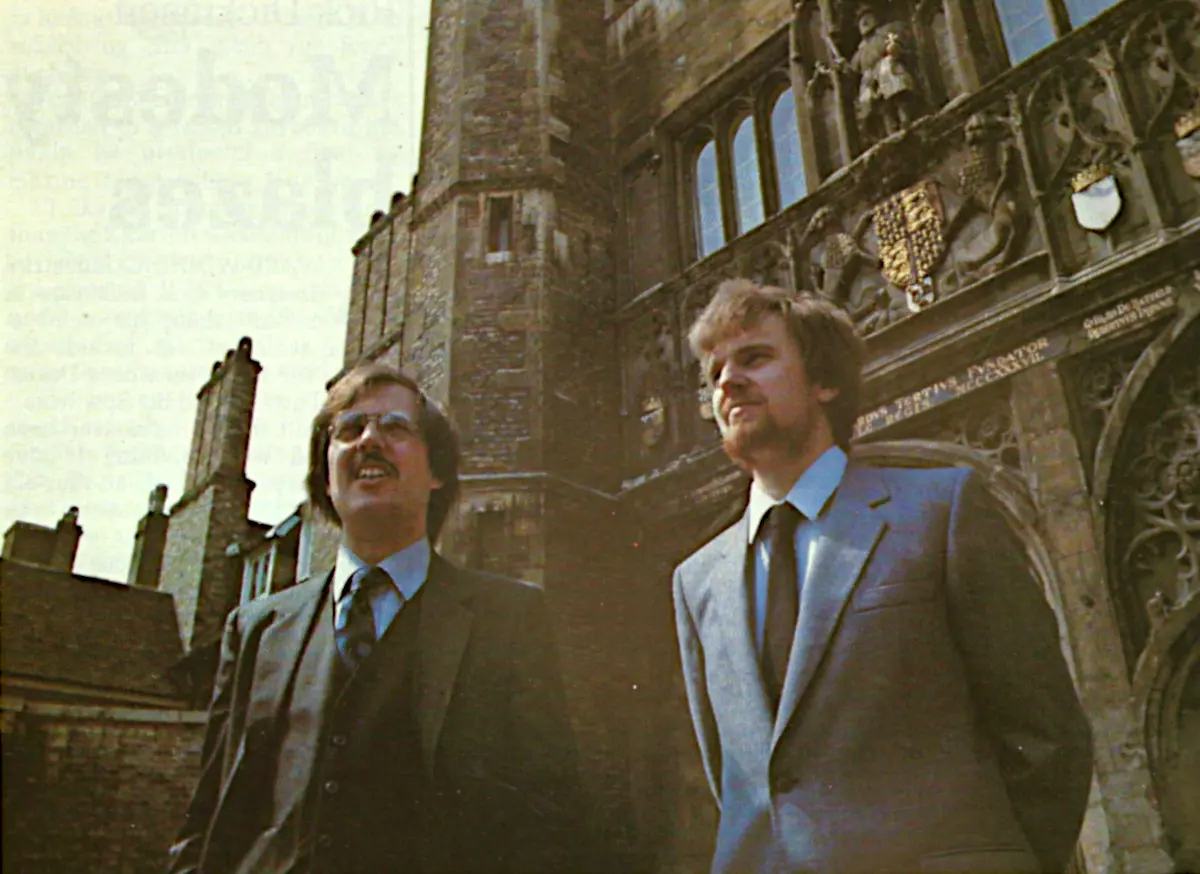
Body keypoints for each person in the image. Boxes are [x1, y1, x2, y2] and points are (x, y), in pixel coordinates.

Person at [672, 279, 1093, 874]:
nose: (727, 382)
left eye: (755, 358)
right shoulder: (696, 581)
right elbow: (742, 786)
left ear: (826, 382)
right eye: (714, 372)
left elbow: (1045, 735)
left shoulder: (938, 511)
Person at [168, 363, 581, 874]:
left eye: (394, 427)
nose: (369, 440)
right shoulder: (256, 628)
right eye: (349, 430)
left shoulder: (510, 618)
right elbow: (207, 823)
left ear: (435, 473)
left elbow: (551, 817)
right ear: (326, 474)